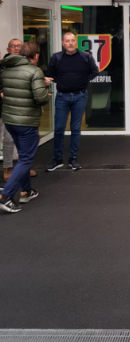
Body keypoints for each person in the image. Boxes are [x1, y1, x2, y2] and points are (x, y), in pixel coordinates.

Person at [0, 42, 50, 213]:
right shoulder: (34, 71)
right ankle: (6, 197)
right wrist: (45, 87)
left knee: (23, 156)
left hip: (10, 120)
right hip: (26, 121)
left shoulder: (7, 69)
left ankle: (26, 191)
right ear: (35, 55)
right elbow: (40, 98)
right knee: (26, 159)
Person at [44, 32, 98, 172]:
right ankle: (57, 159)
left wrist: (84, 81)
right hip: (62, 97)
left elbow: (94, 71)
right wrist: (60, 81)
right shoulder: (56, 57)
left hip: (80, 96)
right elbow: (50, 74)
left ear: (76, 42)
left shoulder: (85, 57)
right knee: (59, 128)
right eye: (67, 41)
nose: (70, 43)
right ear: (63, 43)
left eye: (73, 40)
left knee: (75, 129)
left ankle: (73, 158)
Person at [1, 39, 38, 182]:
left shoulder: (28, 68)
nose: (16, 48)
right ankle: (9, 170)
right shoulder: (6, 65)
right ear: (7, 48)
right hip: (8, 108)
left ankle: (22, 171)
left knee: (14, 140)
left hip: (15, 110)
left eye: (19, 46)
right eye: (13, 46)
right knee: (7, 140)